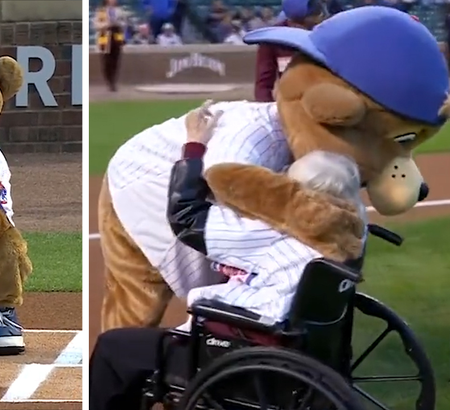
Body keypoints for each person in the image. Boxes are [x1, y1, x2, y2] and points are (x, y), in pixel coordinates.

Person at [89, 105, 367, 410]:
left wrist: (194, 146)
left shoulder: (275, 237)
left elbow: (187, 218)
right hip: (300, 356)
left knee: (113, 348)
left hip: (240, 354)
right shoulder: (354, 237)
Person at [254, 0, 327, 102]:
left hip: (324, 96)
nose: (321, 15)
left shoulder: (326, 33)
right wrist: (264, 107)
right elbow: (264, 83)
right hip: (291, 100)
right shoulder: (273, 37)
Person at [94, 0, 128, 91]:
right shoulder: (101, 11)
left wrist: (118, 24)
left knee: (115, 60)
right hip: (105, 38)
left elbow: (124, 23)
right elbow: (96, 25)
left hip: (116, 37)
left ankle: (113, 81)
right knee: (106, 60)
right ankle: (109, 80)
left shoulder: (120, 11)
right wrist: (107, 24)